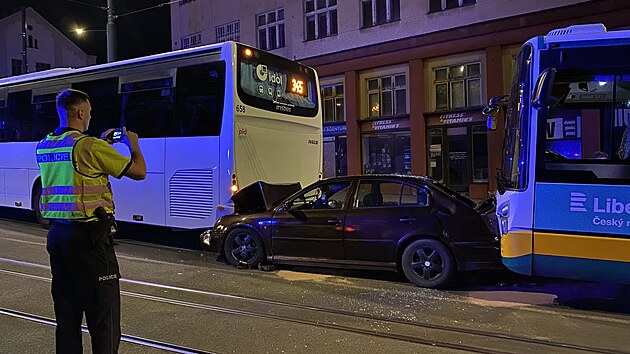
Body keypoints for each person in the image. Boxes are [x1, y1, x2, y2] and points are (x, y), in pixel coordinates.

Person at [36, 89, 146, 354]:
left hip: (58, 239)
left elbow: (77, 168)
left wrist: (99, 143)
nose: (90, 117)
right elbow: (139, 172)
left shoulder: (45, 144)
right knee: (103, 320)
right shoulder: (90, 146)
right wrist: (133, 145)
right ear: (81, 112)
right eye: (89, 112)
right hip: (90, 242)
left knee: (68, 319)